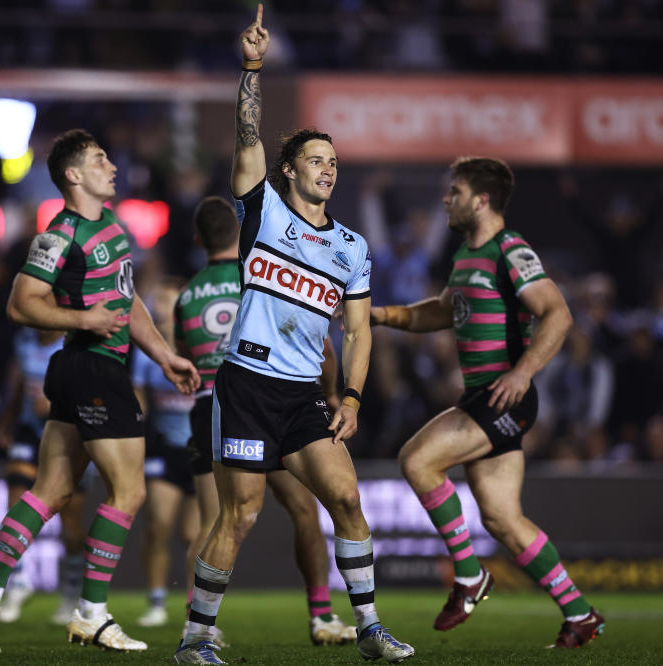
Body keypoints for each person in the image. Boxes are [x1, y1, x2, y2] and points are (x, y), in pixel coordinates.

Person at [174, 7, 413, 663]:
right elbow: (246, 135)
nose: (328, 169)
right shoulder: (264, 213)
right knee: (241, 515)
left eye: (333, 161)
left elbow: (359, 332)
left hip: (305, 394)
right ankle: (195, 638)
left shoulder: (352, 248)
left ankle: (368, 628)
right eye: (315, 159)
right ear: (288, 171)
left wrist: (354, 398)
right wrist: (251, 68)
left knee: (346, 498)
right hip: (247, 386)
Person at [0, 128, 199, 654]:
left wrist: (165, 355)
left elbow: (128, 305)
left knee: (51, 491)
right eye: (101, 159)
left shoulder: (112, 225)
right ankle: (91, 614)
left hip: (89, 369)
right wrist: (83, 318)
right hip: (91, 371)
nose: (113, 165)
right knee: (128, 493)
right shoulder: (58, 234)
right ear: (73, 174)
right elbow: (21, 304)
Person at [371, 156, 606, 648]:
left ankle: (469, 577)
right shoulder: (464, 256)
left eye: (454, 191)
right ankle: (580, 614)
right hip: (485, 398)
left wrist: (523, 372)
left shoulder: (510, 250)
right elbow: (441, 311)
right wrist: (383, 314)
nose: (445, 199)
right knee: (502, 519)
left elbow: (558, 314)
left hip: (503, 398)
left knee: (417, 460)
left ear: (481, 200)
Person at [175, 195, 357, 648]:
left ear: (197, 239)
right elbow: (322, 346)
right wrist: (333, 394)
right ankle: (321, 616)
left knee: (216, 520)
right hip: (280, 396)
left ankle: (198, 625)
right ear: (240, 233)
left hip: (215, 405)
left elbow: (185, 356)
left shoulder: (186, 295)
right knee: (304, 512)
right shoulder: (260, 267)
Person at [0, 326, 86, 625]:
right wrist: (7, 417)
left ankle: (72, 590)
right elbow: (21, 382)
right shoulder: (23, 339)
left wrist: (56, 403)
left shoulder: (75, 344)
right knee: (15, 502)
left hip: (67, 433)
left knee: (71, 526)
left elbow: (90, 391)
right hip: (29, 430)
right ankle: (18, 582)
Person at [131, 280, 199, 629]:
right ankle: (156, 602)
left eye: (170, 305)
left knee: (195, 536)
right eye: (158, 306)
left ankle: (194, 609)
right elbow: (139, 403)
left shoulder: (202, 349)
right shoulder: (147, 356)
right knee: (157, 526)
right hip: (163, 449)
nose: (163, 312)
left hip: (200, 450)